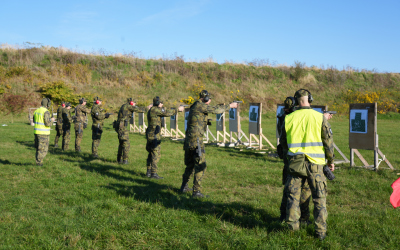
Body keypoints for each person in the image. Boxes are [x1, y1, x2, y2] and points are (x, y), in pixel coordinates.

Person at [279, 89, 335, 240]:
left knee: (292, 197)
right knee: (319, 199)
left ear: (297, 101)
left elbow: (283, 143)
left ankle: (292, 230)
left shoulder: (289, 118)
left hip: (295, 164)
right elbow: (328, 143)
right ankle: (320, 232)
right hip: (316, 165)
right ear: (310, 99)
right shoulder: (319, 117)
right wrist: (330, 161)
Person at [180, 90, 238, 198]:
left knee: (190, 165)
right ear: (205, 99)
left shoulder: (195, 106)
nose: (210, 100)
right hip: (196, 140)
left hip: (189, 139)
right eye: (209, 99)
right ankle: (196, 192)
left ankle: (184, 187)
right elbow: (215, 110)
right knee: (200, 165)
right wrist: (230, 106)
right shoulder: (200, 105)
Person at [277, 97, 311, 224]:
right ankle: (303, 218)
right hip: (298, 158)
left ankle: (284, 215)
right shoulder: (292, 118)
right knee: (303, 190)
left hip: (288, 157)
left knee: (288, 189)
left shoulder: (283, 118)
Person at [146, 97, 184, 179]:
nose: (162, 104)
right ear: (158, 103)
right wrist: (178, 110)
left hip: (151, 134)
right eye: (161, 103)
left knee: (151, 153)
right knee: (156, 154)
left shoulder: (152, 109)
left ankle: (149, 172)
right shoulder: (155, 110)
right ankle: (154, 173)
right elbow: (167, 113)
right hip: (154, 135)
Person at [115, 98, 148, 164]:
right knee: (126, 143)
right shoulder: (129, 106)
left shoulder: (124, 105)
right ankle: (125, 160)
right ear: (132, 103)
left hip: (120, 126)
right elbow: (138, 109)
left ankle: (119, 159)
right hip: (122, 127)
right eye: (134, 103)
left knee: (121, 143)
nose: (135, 105)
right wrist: (148, 108)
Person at [33, 98, 55, 166]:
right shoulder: (46, 111)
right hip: (43, 133)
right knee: (43, 149)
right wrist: (52, 120)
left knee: (38, 148)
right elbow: (47, 123)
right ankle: (39, 162)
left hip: (36, 132)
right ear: (47, 104)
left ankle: (38, 161)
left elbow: (34, 121)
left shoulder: (36, 111)